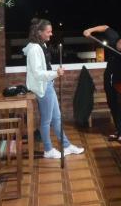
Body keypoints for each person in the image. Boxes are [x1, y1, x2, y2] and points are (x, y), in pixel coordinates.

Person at [23, 18, 84, 159]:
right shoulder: (34, 49)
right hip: (43, 87)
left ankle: (67, 145)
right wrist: (55, 73)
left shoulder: (42, 45)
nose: (51, 34)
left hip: (48, 84)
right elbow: (38, 73)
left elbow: (44, 66)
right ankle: (48, 149)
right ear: (39, 32)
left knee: (56, 118)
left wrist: (53, 74)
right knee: (46, 120)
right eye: (48, 32)